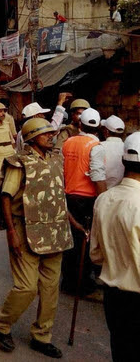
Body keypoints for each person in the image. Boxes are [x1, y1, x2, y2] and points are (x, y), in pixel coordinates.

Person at [0, 118, 73, 359]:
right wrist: (11, 233)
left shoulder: (56, 159)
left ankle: (42, 335)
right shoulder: (19, 163)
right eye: (45, 134)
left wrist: (73, 223)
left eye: (51, 133)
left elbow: (57, 196)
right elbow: (6, 197)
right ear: (32, 138)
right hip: (25, 229)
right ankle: (1, 322)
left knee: (50, 288)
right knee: (26, 287)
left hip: (54, 231)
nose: (51, 136)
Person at [90, 132, 140, 362]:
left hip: (113, 297)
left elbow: (96, 255)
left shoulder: (104, 199)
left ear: (123, 161)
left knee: (121, 352)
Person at [61, 107, 107, 296]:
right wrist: (103, 201)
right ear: (99, 126)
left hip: (69, 195)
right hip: (86, 200)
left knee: (71, 241)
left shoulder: (68, 142)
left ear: (80, 124)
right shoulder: (95, 146)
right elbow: (97, 175)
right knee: (85, 243)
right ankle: (80, 283)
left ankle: (68, 281)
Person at [100, 115, 125, 189]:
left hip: (101, 190)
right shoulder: (126, 148)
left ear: (106, 131)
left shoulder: (99, 146)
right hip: (122, 190)